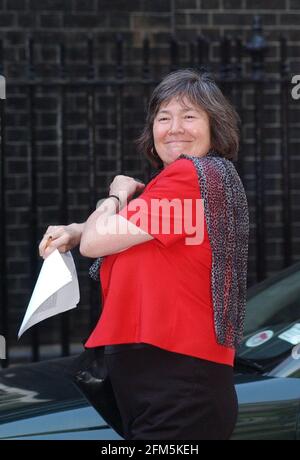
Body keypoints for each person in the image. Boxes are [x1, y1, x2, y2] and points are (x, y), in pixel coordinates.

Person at [39, 69, 249, 440]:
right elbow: (129, 234)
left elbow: (97, 243)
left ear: (215, 127)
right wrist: (76, 230)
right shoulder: (200, 182)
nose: (174, 128)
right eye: (164, 117)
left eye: (189, 116)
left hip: (178, 381)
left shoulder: (190, 177)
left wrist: (115, 194)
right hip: (171, 380)